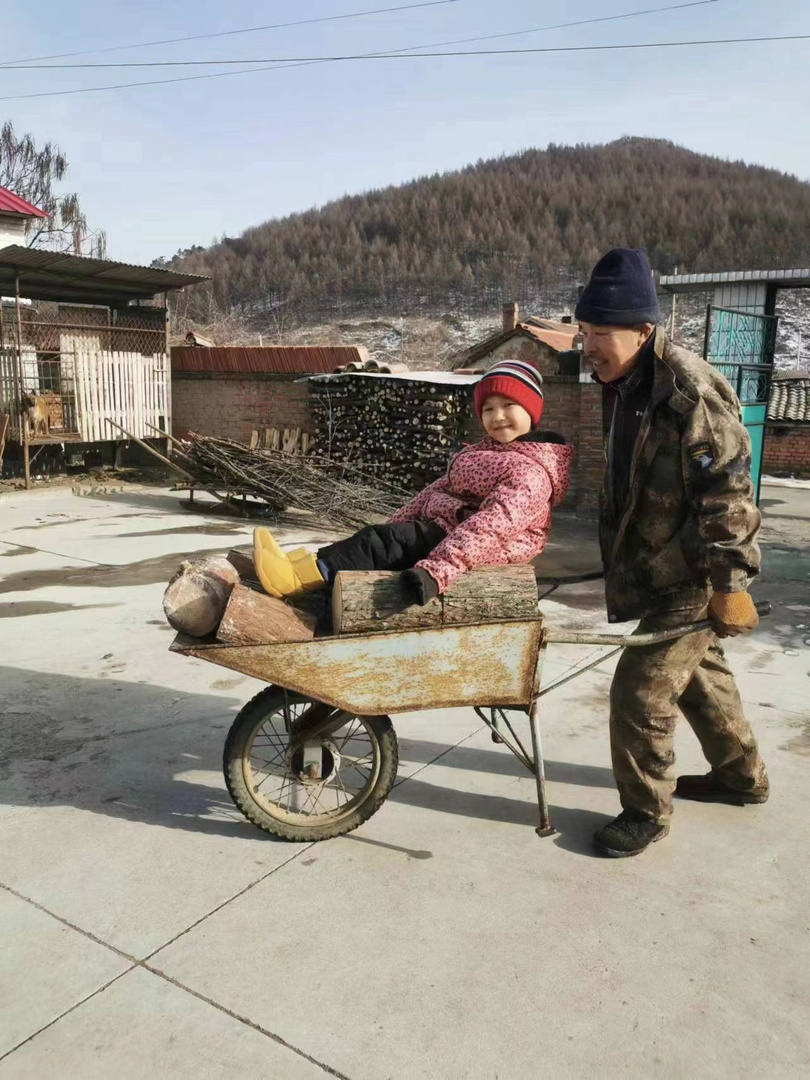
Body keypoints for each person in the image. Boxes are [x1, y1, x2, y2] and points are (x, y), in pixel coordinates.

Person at [575, 248, 769, 859]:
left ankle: (644, 814)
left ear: (643, 329)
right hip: (659, 566)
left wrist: (729, 582)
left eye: (601, 333)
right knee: (700, 681)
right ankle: (743, 778)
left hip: (694, 573)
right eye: (584, 332)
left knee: (640, 692)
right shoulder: (628, 383)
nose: (588, 346)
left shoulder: (688, 390)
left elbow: (728, 489)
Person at [253, 359, 573, 608]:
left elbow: (490, 528)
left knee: (378, 542)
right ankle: (302, 565)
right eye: (487, 408)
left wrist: (439, 570)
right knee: (376, 539)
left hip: (472, 547)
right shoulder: (488, 452)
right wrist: (394, 526)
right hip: (446, 531)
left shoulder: (530, 473)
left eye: (508, 405)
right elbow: (433, 491)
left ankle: (298, 578)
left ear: (532, 412)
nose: (497, 416)